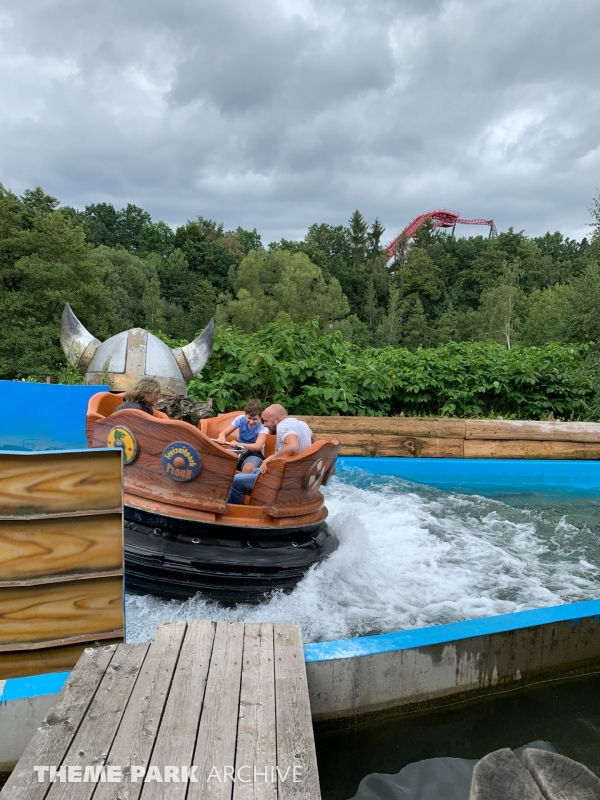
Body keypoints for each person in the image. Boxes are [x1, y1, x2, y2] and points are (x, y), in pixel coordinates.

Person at [228, 404, 316, 504]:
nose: (264, 425)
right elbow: (316, 445)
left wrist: (270, 458)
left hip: (285, 479)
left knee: (236, 481)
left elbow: (293, 446)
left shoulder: (282, 425)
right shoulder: (303, 424)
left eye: (266, 421)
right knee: (256, 471)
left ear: (277, 419)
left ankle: (236, 510)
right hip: (298, 476)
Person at [216, 400, 269, 473]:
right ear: (245, 415)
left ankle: (242, 479)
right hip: (239, 449)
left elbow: (257, 446)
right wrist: (222, 437)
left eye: (255, 419)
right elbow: (224, 433)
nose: (251, 422)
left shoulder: (263, 426)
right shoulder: (240, 419)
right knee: (221, 463)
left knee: (248, 469)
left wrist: (239, 444)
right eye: (249, 418)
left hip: (254, 453)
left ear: (260, 417)